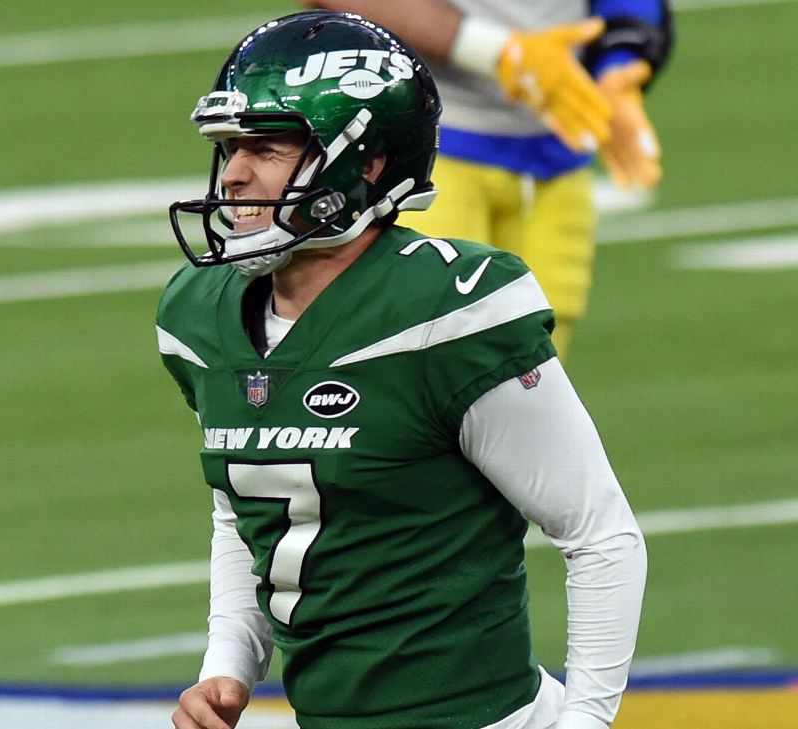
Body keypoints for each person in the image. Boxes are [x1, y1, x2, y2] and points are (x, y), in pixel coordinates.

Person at [159, 11, 646, 729]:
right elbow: (246, 499)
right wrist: (227, 665)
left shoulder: (448, 312)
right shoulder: (198, 318)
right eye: (229, 147)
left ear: (369, 161)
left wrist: (587, 721)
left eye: (265, 147)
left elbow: (600, 533)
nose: (233, 174)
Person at [299, 0, 675, 359]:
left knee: (537, 387)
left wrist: (621, 61)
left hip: (559, 149)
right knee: (409, 366)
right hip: (421, 150)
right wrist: (496, 51)